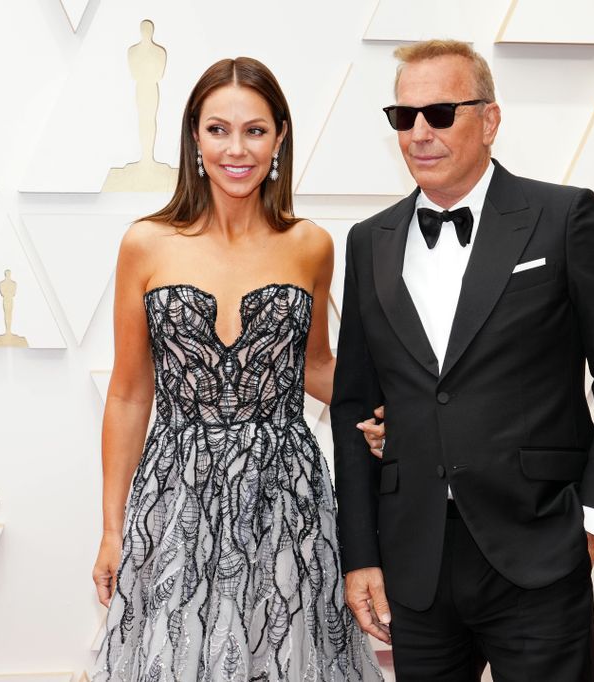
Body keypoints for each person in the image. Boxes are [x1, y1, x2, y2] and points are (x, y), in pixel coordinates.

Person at [331, 40, 594, 681]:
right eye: (404, 117)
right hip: (415, 562)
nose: (420, 133)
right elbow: (353, 406)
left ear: (490, 119)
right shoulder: (369, 241)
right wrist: (361, 555)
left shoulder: (563, 217)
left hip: (539, 548)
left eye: (441, 113)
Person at [91, 57, 382, 681]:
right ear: (194, 137)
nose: (236, 149)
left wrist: (404, 406)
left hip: (287, 499)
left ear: (280, 136)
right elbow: (128, 393)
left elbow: (315, 366)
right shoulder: (146, 243)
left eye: (254, 130)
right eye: (218, 129)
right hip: (177, 498)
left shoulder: (311, 245)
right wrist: (113, 528)